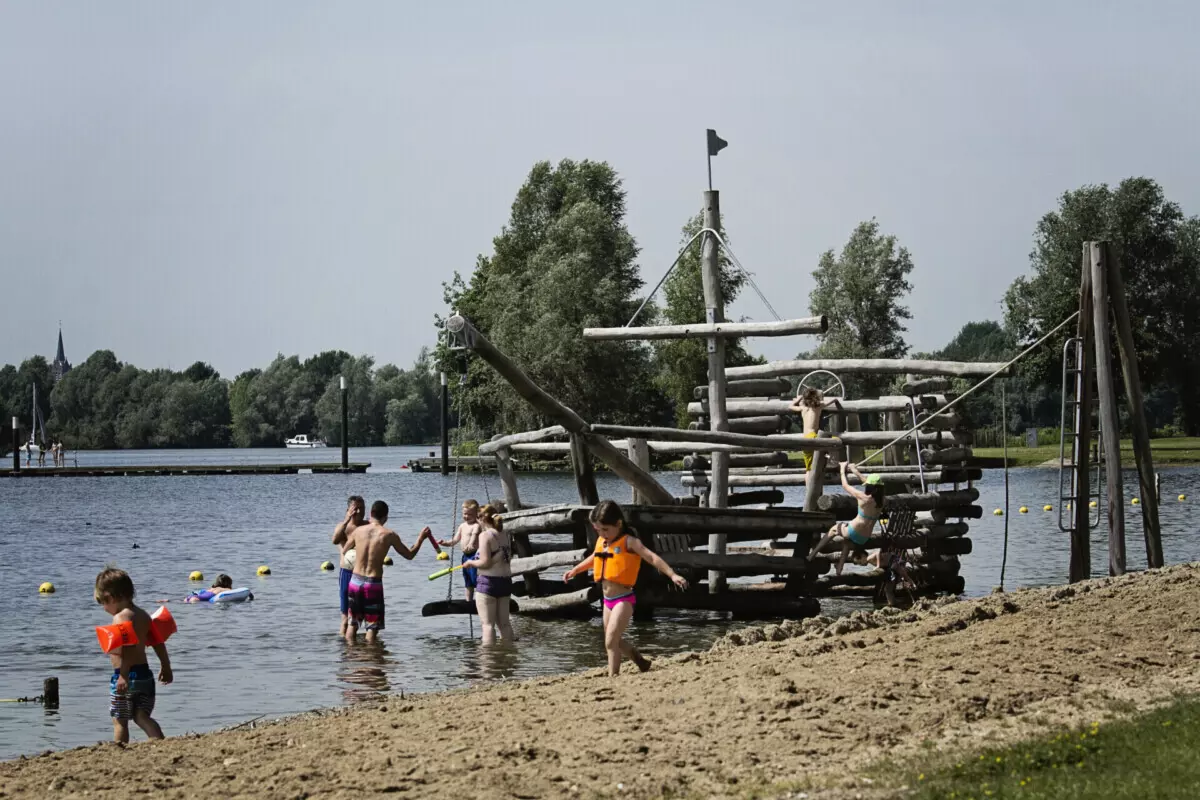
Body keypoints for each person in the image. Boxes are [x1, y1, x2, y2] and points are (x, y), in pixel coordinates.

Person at [563, 500, 688, 676]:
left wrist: (672, 575)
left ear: (618, 524)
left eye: (605, 529)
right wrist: (576, 570)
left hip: (623, 599)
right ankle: (640, 660)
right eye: (598, 530)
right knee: (614, 640)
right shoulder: (603, 542)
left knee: (610, 641)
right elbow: (595, 558)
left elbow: (651, 557)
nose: (602, 534)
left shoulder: (630, 542)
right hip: (607, 601)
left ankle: (613, 675)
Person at [94, 568, 173, 743]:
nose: (105, 609)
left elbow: (128, 647)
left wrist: (123, 675)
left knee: (120, 721)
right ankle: (160, 743)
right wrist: (166, 666)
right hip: (145, 676)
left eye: (103, 603)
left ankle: (120, 750)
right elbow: (158, 642)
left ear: (111, 597)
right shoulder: (143, 615)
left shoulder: (120, 618)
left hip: (126, 676)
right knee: (141, 716)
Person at [340, 500, 434, 644]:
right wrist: (421, 538)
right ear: (386, 517)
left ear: (370, 513)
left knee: (352, 624)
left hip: (355, 581)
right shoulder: (389, 535)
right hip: (372, 584)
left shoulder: (358, 531)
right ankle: (371, 655)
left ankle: (351, 655)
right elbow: (409, 555)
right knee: (372, 628)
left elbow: (345, 550)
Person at [809, 462, 884, 576]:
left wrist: (842, 469)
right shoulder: (882, 500)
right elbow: (869, 483)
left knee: (834, 529)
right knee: (847, 543)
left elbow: (845, 486)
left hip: (853, 531)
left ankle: (812, 555)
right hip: (864, 537)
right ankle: (839, 568)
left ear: (870, 487)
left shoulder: (863, 497)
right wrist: (855, 471)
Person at [463, 504, 514, 644]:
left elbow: (485, 563)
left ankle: (488, 656)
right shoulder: (506, 534)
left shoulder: (485, 535)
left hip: (488, 583)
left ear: (481, 519)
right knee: (505, 624)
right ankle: (508, 653)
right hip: (505, 582)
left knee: (487, 625)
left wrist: (470, 563)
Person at [332, 495, 367, 636]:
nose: (359, 512)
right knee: (345, 619)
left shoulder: (367, 526)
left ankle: (358, 645)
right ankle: (343, 646)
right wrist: (346, 520)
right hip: (347, 573)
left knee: (361, 618)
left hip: (363, 574)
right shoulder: (343, 527)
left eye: (362, 508)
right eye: (355, 508)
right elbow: (335, 540)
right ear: (348, 510)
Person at [438, 499, 482, 603]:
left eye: (470, 514)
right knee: (468, 582)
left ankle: (480, 601)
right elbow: (455, 540)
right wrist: (446, 543)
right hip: (465, 557)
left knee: (476, 580)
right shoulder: (462, 526)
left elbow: (474, 536)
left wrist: (471, 544)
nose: (466, 516)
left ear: (476, 514)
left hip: (474, 556)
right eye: (465, 514)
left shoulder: (476, 526)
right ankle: (468, 602)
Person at [789, 387, 838, 470]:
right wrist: (835, 399)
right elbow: (833, 400)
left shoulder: (803, 408)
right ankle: (830, 460)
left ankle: (825, 460)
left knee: (809, 469)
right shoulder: (819, 406)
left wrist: (799, 398)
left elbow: (790, 406)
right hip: (813, 436)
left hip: (805, 438)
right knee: (836, 441)